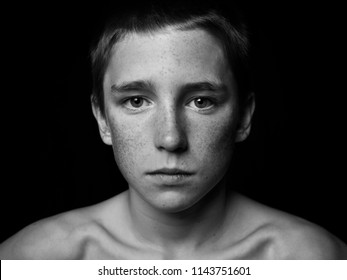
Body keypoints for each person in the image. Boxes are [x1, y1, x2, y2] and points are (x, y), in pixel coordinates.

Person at [1, 1, 346, 260]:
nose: (170, 139)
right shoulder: (35, 257)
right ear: (102, 118)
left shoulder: (310, 257)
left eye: (201, 101)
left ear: (243, 117)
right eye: (136, 101)